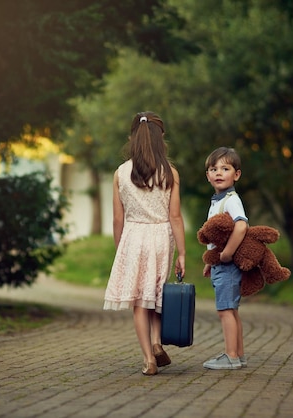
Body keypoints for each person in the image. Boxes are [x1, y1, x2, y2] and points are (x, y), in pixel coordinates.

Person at [103, 111, 186, 376]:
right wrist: (182, 253)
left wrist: (121, 249)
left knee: (140, 300)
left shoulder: (120, 173)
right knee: (158, 294)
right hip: (161, 236)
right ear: (161, 139)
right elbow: (175, 216)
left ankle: (149, 359)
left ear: (131, 138)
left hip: (134, 237)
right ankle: (157, 341)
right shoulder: (170, 172)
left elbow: (118, 218)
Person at [202, 147, 248, 370]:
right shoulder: (217, 201)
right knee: (231, 309)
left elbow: (241, 226)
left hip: (228, 265)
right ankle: (238, 354)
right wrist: (210, 261)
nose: (218, 173)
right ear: (208, 175)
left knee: (225, 310)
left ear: (236, 175)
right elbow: (216, 236)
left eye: (225, 168)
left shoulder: (231, 199)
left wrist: (227, 253)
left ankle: (231, 356)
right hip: (220, 265)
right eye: (213, 169)